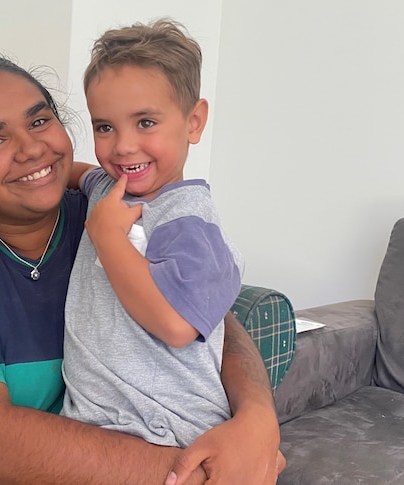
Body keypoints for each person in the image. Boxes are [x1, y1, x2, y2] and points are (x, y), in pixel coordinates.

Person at [0, 51, 283, 485]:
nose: (33, 148)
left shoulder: (107, 216)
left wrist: (257, 421)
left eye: (39, 122)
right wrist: (200, 473)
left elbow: (205, 313)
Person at [61, 18, 243, 450]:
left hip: (165, 428)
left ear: (194, 122)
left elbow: (177, 325)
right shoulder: (108, 187)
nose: (122, 146)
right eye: (105, 127)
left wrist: (107, 237)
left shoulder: (189, 221)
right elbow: (77, 174)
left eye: (145, 123)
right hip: (94, 421)